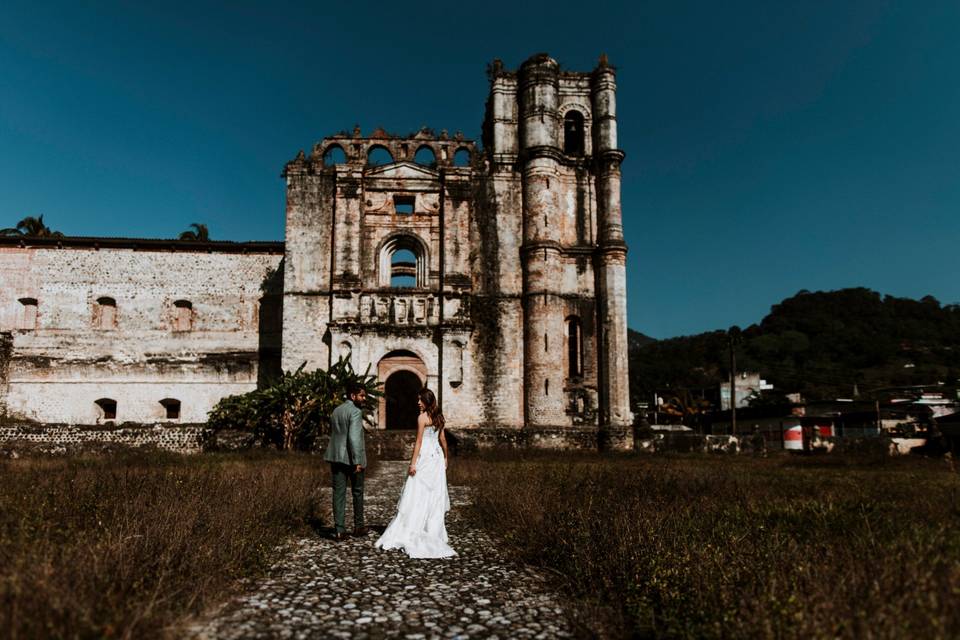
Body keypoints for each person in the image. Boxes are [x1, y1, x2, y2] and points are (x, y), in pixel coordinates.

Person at [375, 388, 456, 558]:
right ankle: (431, 529)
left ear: (427, 401)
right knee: (434, 493)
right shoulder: (439, 417)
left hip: (426, 456)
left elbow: (418, 442)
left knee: (417, 492)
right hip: (437, 458)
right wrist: (446, 458)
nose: (418, 403)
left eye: (421, 400)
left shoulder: (422, 418)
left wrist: (413, 464)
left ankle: (414, 527)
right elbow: (443, 440)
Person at [324, 382, 368, 541]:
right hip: (350, 458)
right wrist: (357, 461)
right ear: (352, 396)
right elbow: (354, 438)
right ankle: (358, 526)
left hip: (335, 456)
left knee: (338, 493)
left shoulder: (336, 410)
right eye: (362, 395)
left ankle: (339, 530)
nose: (364, 398)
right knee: (357, 492)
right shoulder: (355, 412)